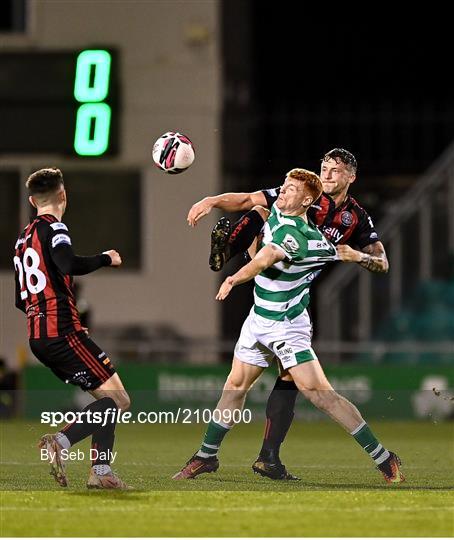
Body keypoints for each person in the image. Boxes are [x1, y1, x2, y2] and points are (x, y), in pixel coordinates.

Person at [174, 168, 403, 484]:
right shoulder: (277, 213)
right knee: (235, 386)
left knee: (321, 395)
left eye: (290, 189)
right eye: (283, 186)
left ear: (307, 199)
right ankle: (206, 456)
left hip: (286, 326)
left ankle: (383, 457)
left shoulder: (297, 234)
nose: (282, 192)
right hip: (259, 319)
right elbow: (250, 206)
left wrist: (234, 276)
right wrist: (212, 201)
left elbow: (265, 259)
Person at [13, 168, 130, 489]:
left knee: (107, 402)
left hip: (40, 335)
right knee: (119, 401)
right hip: (62, 333)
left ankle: (100, 474)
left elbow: (20, 300)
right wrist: (105, 258)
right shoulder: (55, 227)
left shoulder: (23, 240)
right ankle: (62, 443)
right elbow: (67, 263)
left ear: (31, 200)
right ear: (63, 195)